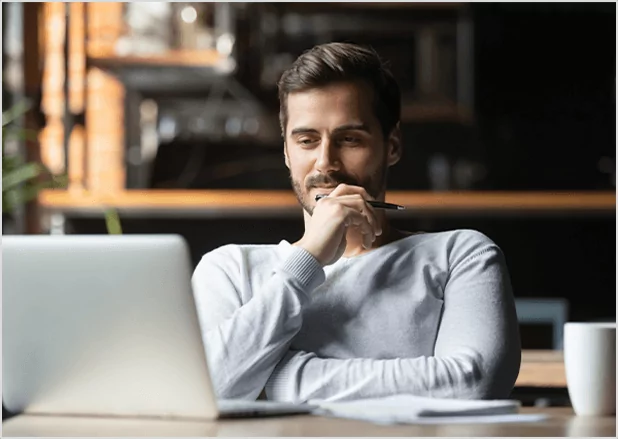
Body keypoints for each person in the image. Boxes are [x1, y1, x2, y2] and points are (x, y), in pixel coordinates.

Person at [192, 42, 521, 403]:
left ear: (392, 146)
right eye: (306, 140)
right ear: (286, 152)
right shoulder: (228, 269)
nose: (325, 163)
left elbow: (472, 384)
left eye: (349, 140)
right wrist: (308, 259)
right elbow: (204, 391)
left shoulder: (461, 255)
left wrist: (277, 378)